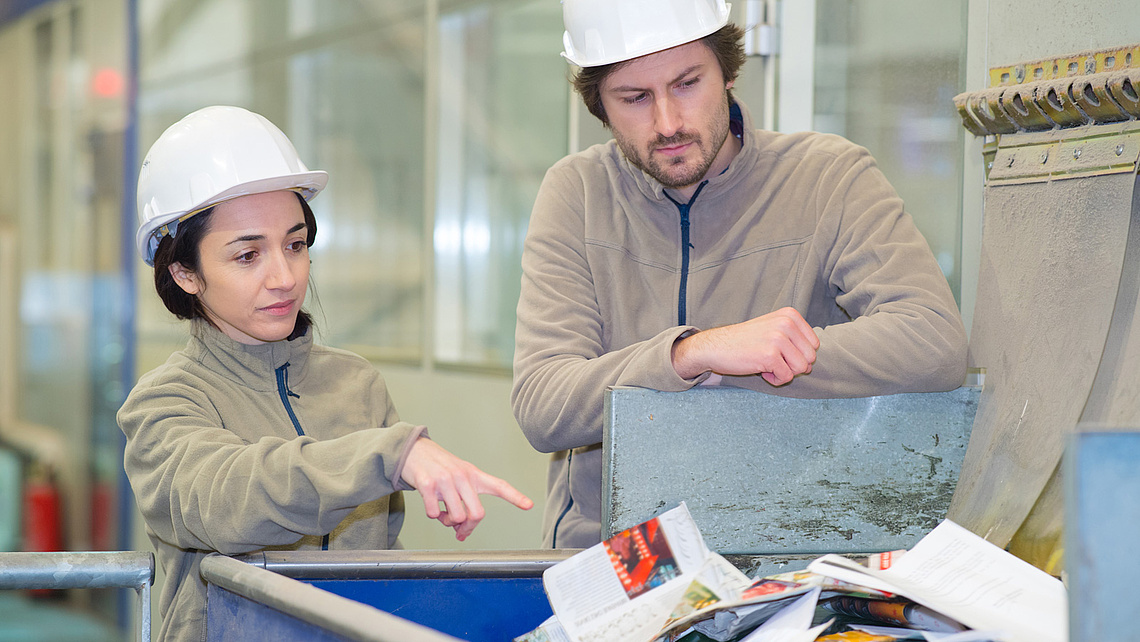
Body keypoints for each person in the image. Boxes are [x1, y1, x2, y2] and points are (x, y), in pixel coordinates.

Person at [511, 0, 968, 549]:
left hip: (792, 545)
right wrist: (690, 355)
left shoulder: (829, 177)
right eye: (634, 98)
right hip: (613, 553)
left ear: (727, 73)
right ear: (600, 107)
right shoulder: (578, 193)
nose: (667, 123)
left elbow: (933, 338)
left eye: (686, 84)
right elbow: (543, 402)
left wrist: (763, 359)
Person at [119, 105, 533, 642]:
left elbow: (382, 565)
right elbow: (228, 500)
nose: (284, 276)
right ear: (184, 272)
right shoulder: (164, 404)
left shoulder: (357, 387)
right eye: (247, 256)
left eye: (295, 245)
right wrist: (388, 454)